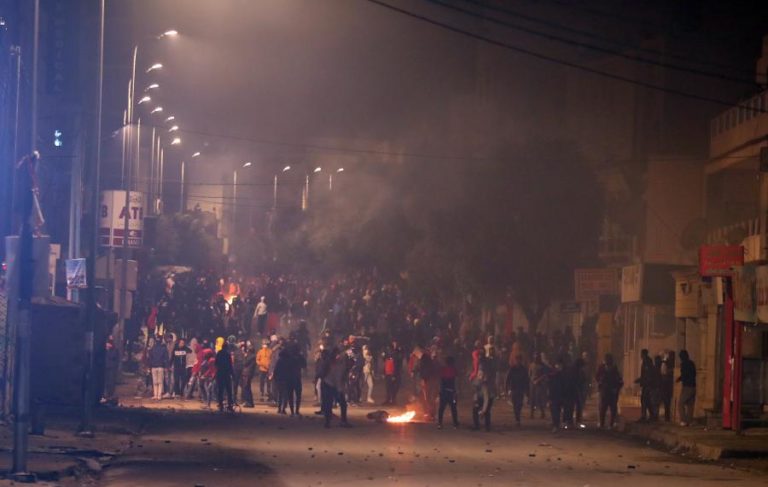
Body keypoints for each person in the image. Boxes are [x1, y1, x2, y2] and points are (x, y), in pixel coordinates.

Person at [320, 347, 351, 428]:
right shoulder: (337, 364)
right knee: (332, 403)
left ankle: (329, 422)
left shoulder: (338, 363)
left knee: (330, 403)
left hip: (329, 384)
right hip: (330, 384)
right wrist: (340, 389)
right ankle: (335, 422)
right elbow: (337, 377)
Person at [472, 344, 497, 431]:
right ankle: (477, 425)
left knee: (487, 411)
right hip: (481, 393)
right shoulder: (480, 364)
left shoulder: (487, 364)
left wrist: (483, 411)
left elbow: (486, 398)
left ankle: (487, 426)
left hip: (488, 393)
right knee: (475, 409)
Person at [595, 353, 623, 429]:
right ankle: (602, 423)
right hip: (604, 391)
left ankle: (611, 423)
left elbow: (619, 381)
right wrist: (600, 382)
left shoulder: (614, 369)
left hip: (612, 392)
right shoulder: (602, 368)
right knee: (603, 408)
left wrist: (616, 389)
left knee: (612, 408)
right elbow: (597, 377)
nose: (607, 361)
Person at [505, 354, 528, 427]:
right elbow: (508, 379)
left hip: (521, 389)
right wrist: (507, 388)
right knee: (515, 404)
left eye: (519, 360)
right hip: (514, 389)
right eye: (517, 360)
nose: (518, 362)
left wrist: (527, 390)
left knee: (519, 404)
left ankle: (518, 417)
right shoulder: (512, 369)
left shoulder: (524, 369)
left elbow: (526, 380)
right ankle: (517, 419)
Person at [635, 349, 658, 421]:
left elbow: (647, 375)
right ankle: (652, 415)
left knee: (644, 400)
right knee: (647, 401)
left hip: (648, 385)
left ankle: (644, 416)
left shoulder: (647, 362)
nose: (640, 356)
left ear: (644, 354)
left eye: (641, 354)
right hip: (647, 384)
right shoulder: (646, 362)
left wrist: (641, 380)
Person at [437, 356, 459, 429]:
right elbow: (456, 382)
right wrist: (456, 392)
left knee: (441, 408)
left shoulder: (442, 370)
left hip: (443, 392)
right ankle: (455, 424)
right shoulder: (454, 370)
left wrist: (439, 391)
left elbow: (440, 381)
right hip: (451, 392)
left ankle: (439, 423)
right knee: (453, 408)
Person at [677, 349, 696, 426]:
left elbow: (684, 375)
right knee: (690, 405)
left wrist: (680, 379)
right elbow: (694, 374)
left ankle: (683, 420)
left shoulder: (684, 364)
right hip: (693, 386)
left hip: (687, 386)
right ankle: (689, 421)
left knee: (680, 403)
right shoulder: (692, 363)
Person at [215, 341, 235, 412]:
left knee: (220, 390)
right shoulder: (227, 354)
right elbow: (230, 365)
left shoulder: (218, 353)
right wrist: (233, 374)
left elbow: (216, 363)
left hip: (220, 374)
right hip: (226, 374)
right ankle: (230, 405)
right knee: (229, 390)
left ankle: (221, 405)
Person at [528, 352, 548, 419]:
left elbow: (544, 375)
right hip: (532, 383)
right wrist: (532, 380)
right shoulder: (531, 365)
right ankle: (531, 413)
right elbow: (530, 374)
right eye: (535, 357)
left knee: (539, 398)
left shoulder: (542, 366)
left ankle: (542, 413)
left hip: (540, 384)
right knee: (532, 399)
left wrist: (538, 380)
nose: (536, 358)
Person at [382, 340, 402, 405]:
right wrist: (384, 372)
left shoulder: (397, 353)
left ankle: (393, 400)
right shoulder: (387, 358)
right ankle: (388, 400)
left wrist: (394, 375)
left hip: (393, 373)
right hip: (388, 373)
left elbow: (397, 364)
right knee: (388, 387)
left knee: (394, 387)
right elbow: (385, 364)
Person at [660, 351, 675, 422]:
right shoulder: (665, 363)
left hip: (667, 385)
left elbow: (664, 373)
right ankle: (667, 417)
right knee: (666, 402)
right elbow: (664, 373)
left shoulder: (668, 363)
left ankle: (668, 417)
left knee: (667, 402)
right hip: (666, 385)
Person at [241, 341, 256, 408]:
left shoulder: (251, 356)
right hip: (248, 373)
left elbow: (245, 363)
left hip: (247, 373)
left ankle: (249, 402)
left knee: (246, 387)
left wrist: (245, 356)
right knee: (247, 387)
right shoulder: (252, 356)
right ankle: (250, 402)